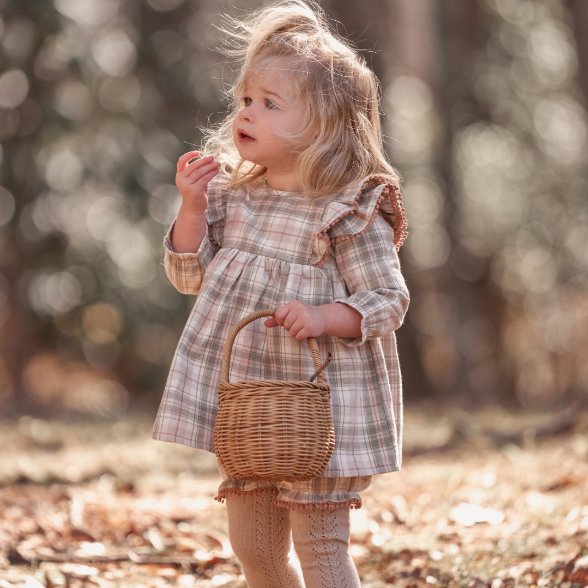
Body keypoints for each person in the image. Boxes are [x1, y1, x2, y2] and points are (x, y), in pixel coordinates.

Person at [152, 1, 409, 586]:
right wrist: (191, 209)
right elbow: (189, 277)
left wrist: (326, 315)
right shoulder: (231, 197)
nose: (247, 112)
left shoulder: (349, 210)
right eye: (246, 99)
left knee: (319, 547)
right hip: (248, 413)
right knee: (255, 551)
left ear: (322, 126)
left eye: (270, 104)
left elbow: (388, 300)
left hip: (322, 411)